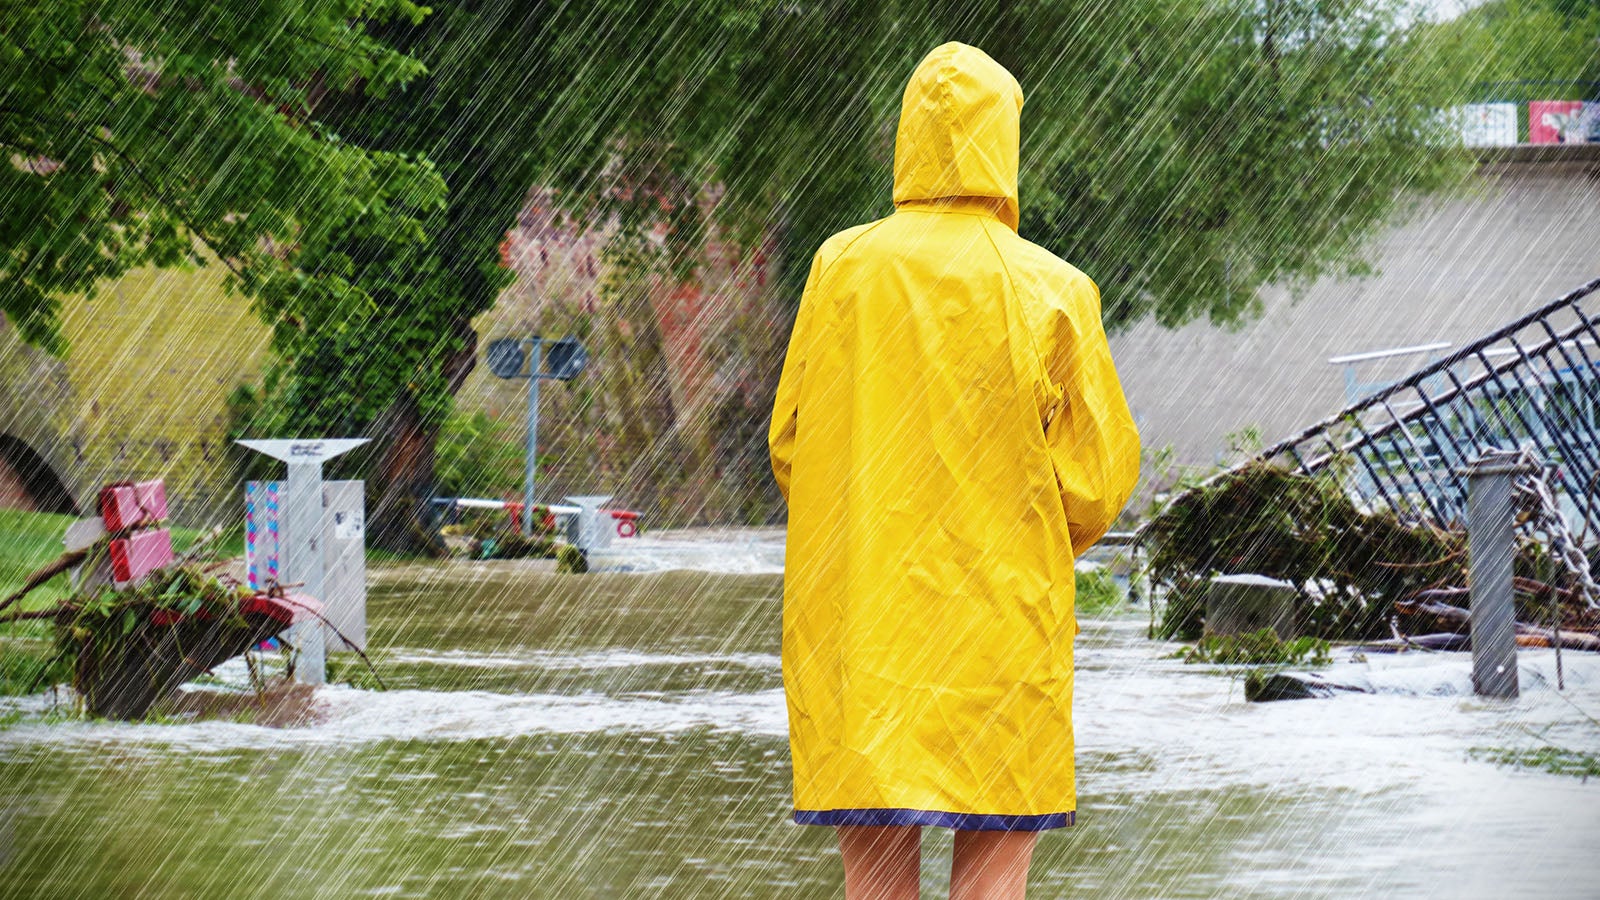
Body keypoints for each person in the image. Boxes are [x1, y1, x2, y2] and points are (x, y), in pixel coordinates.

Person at [767, 42, 1141, 899]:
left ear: (908, 139)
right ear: (1003, 140)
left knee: (876, 879)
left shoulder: (840, 271)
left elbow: (791, 444)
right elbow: (1097, 478)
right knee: (994, 875)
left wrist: (863, 516)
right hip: (1001, 628)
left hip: (864, 626)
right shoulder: (1053, 289)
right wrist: (1020, 532)